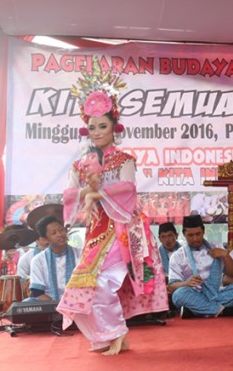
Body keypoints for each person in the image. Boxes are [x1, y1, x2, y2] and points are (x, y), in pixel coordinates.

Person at [57, 60, 169, 355]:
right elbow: (69, 194)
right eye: (92, 127)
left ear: (114, 127)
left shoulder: (124, 160)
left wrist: (98, 193)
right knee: (82, 285)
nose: (96, 132)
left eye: (102, 126)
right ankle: (104, 336)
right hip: (97, 232)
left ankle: (117, 334)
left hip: (123, 230)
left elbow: (128, 190)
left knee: (104, 283)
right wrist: (87, 192)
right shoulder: (81, 165)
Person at [167, 214, 233, 317]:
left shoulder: (216, 246)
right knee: (178, 295)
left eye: (198, 234)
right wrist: (187, 283)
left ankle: (196, 311)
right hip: (194, 294)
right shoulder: (177, 256)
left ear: (203, 231)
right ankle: (221, 310)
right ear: (184, 234)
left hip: (218, 293)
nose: (195, 238)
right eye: (190, 235)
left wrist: (225, 255)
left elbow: (232, 274)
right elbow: (172, 286)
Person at [27, 216, 81, 302]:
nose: (60, 234)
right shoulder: (38, 260)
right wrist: (57, 306)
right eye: (53, 233)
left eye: (61, 230)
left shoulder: (81, 254)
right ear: (45, 239)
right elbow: (37, 293)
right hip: (49, 304)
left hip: (78, 302)